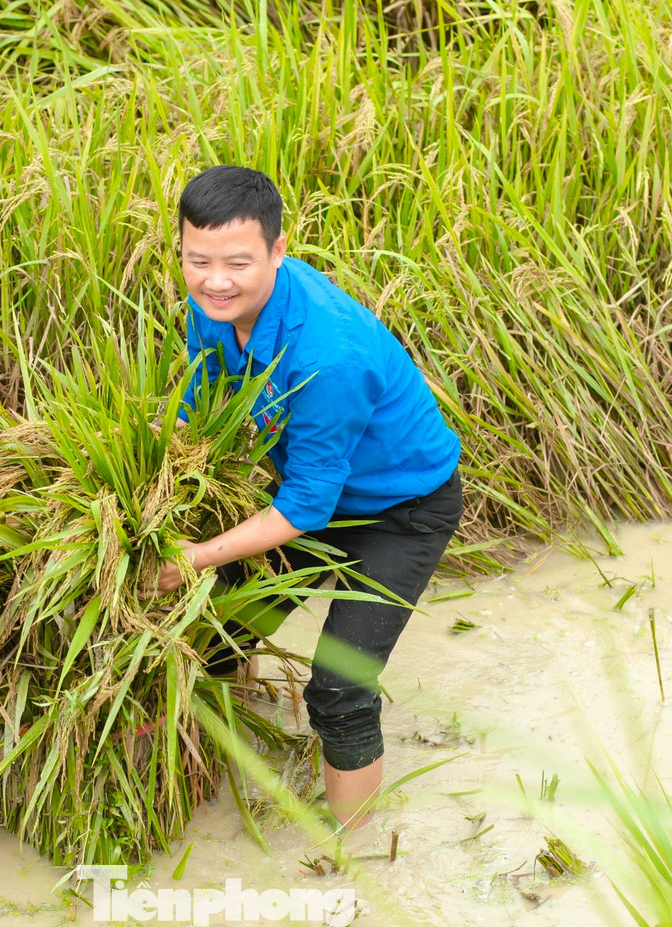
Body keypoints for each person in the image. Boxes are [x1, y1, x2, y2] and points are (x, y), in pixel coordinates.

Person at [151, 165, 463, 832]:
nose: (214, 279)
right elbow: (201, 398)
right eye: (196, 259)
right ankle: (229, 760)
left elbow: (303, 512)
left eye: (237, 262)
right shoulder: (214, 309)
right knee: (212, 631)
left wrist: (195, 555)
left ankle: (350, 860)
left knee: (340, 686)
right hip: (310, 487)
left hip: (399, 514)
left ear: (278, 250)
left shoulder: (329, 355)